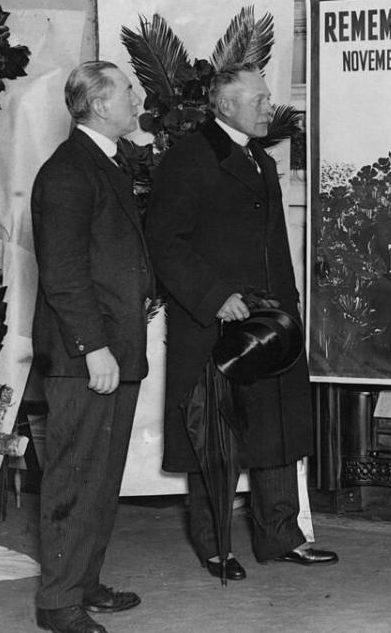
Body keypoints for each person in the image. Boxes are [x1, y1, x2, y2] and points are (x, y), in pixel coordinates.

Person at [145, 62, 337, 581]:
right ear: (224, 105)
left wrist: (289, 310)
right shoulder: (189, 158)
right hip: (215, 323)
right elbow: (165, 241)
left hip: (271, 322)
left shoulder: (259, 159)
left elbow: (275, 245)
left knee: (276, 427)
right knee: (216, 435)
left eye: (268, 98)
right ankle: (216, 548)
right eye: (257, 100)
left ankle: (280, 538)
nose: (267, 107)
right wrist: (214, 296)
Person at [31, 61, 153, 633]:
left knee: (101, 478)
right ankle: (58, 603)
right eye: (128, 89)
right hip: (88, 357)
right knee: (74, 477)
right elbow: (63, 274)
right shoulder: (67, 172)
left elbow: (108, 257)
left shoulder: (102, 164)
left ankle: (83, 582)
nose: (138, 96)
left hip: (112, 348)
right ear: (101, 106)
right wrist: (93, 348)